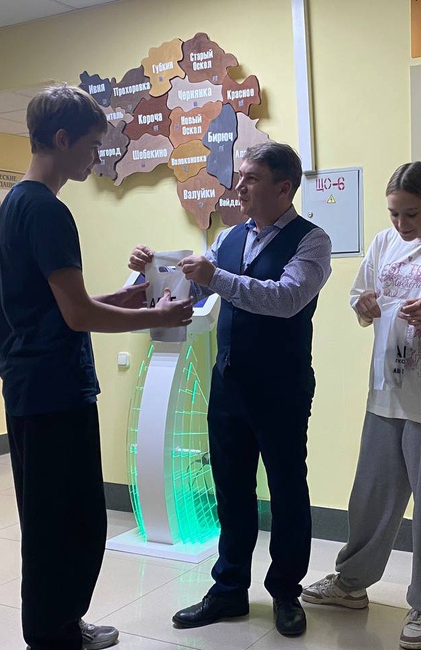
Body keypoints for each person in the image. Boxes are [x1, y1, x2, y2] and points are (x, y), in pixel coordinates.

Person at [0, 84, 193, 650]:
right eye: (93, 145)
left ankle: (56, 627)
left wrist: (121, 299)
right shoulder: (48, 212)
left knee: (52, 519)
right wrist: (159, 314)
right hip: (54, 392)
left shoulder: (15, 206)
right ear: (62, 139)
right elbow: (78, 316)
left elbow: (56, 306)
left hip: (32, 389)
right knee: (71, 523)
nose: (97, 157)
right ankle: (55, 636)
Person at [129, 142, 332, 637]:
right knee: (231, 489)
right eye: (239, 176)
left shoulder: (312, 241)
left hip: (281, 388)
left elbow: (286, 299)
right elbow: (196, 289)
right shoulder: (229, 236)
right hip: (230, 385)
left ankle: (286, 591)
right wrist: (151, 270)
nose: (238, 186)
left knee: (286, 490)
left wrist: (215, 276)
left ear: (283, 188)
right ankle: (229, 590)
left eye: (251, 178)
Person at [300, 162, 421, 649]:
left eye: (412, 214)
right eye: (394, 214)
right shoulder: (384, 242)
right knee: (371, 496)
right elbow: (361, 295)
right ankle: (351, 583)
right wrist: (361, 304)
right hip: (386, 389)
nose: (402, 224)